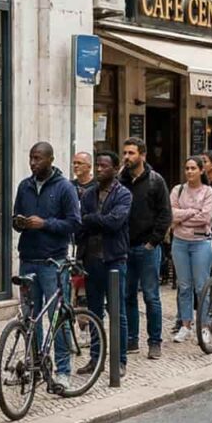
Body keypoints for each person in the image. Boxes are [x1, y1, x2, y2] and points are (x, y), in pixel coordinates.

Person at [11, 142, 82, 391]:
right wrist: (19, 222)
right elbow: (15, 217)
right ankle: (35, 365)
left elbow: (74, 223)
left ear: (51, 159)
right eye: (31, 158)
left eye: (38, 158)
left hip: (53, 262)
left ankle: (63, 370)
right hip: (28, 259)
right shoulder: (24, 186)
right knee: (30, 317)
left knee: (57, 317)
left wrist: (45, 224)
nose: (33, 163)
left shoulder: (64, 188)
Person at [78, 152, 130, 375]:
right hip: (91, 260)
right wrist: (94, 221)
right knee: (94, 312)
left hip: (114, 259)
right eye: (97, 165)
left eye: (104, 166)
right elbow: (80, 222)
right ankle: (95, 358)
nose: (99, 169)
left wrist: (92, 219)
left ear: (115, 169)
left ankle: (119, 360)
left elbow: (115, 222)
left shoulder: (123, 194)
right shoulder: (89, 194)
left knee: (117, 311)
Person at [120, 137, 172, 360]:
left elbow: (165, 214)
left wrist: (153, 241)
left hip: (147, 247)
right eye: (125, 153)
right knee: (128, 295)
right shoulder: (120, 180)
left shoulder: (155, 181)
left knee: (151, 296)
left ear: (142, 155)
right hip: (125, 247)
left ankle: (154, 341)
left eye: (131, 153)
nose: (126, 157)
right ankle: (132, 339)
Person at [169, 156, 212, 343]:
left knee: (202, 286)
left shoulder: (208, 192)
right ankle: (185, 325)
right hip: (180, 242)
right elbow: (171, 213)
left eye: (193, 168)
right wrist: (191, 212)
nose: (189, 171)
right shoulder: (178, 190)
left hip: (201, 242)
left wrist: (182, 218)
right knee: (184, 286)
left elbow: (205, 217)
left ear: (201, 170)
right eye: (187, 168)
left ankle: (205, 326)